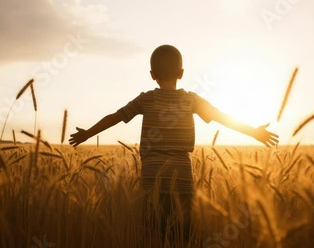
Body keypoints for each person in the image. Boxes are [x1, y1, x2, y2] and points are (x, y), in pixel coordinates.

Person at [69, 44, 279, 246]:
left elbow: (115, 117)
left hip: (152, 181)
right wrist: (254, 132)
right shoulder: (191, 101)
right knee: (184, 236)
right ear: (181, 73)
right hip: (183, 180)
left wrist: (88, 134)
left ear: (152, 74)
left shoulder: (146, 100)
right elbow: (222, 117)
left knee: (153, 233)